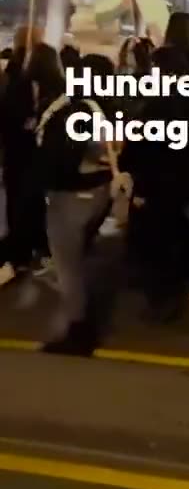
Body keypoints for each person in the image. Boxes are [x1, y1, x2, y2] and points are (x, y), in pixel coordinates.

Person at [36, 52, 120, 355]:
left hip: (71, 194)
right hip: (99, 191)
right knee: (79, 260)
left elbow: (63, 156)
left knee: (68, 265)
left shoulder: (74, 109)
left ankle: (79, 330)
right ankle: (84, 318)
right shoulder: (107, 106)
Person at [121, 45, 189, 321]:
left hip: (157, 184)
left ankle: (160, 301)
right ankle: (171, 294)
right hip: (182, 180)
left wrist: (140, 187)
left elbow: (146, 150)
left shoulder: (159, 105)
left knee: (155, 245)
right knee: (173, 239)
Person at [0, 32, 52, 287]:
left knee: (23, 201)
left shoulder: (22, 78)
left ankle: (22, 252)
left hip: (22, 153)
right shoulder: (19, 78)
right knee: (22, 201)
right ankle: (22, 252)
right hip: (21, 151)